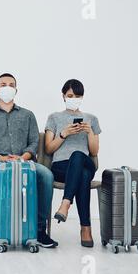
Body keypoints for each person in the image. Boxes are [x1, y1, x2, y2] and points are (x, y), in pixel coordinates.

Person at [0, 73, 58, 248]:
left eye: (11, 84)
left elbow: (34, 142)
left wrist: (23, 157)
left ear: (16, 89)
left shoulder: (28, 115)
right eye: (3, 84)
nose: (7, 87)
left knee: (46, 175)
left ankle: (39, 230)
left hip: (24, 163)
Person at [44, 79, 101, 247]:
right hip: (61, 167)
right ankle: (86, 229)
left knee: (78, 156)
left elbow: (94, 151)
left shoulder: (91, 119)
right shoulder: (54, 117)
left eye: (77, 96)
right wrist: (64, 134)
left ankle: (65, 203)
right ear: (63, 96)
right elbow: (48, 149)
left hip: (85, 162)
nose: (73, 98)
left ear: (82, 97)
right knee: (82, 176)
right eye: (70, 95)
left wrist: (90, 132)